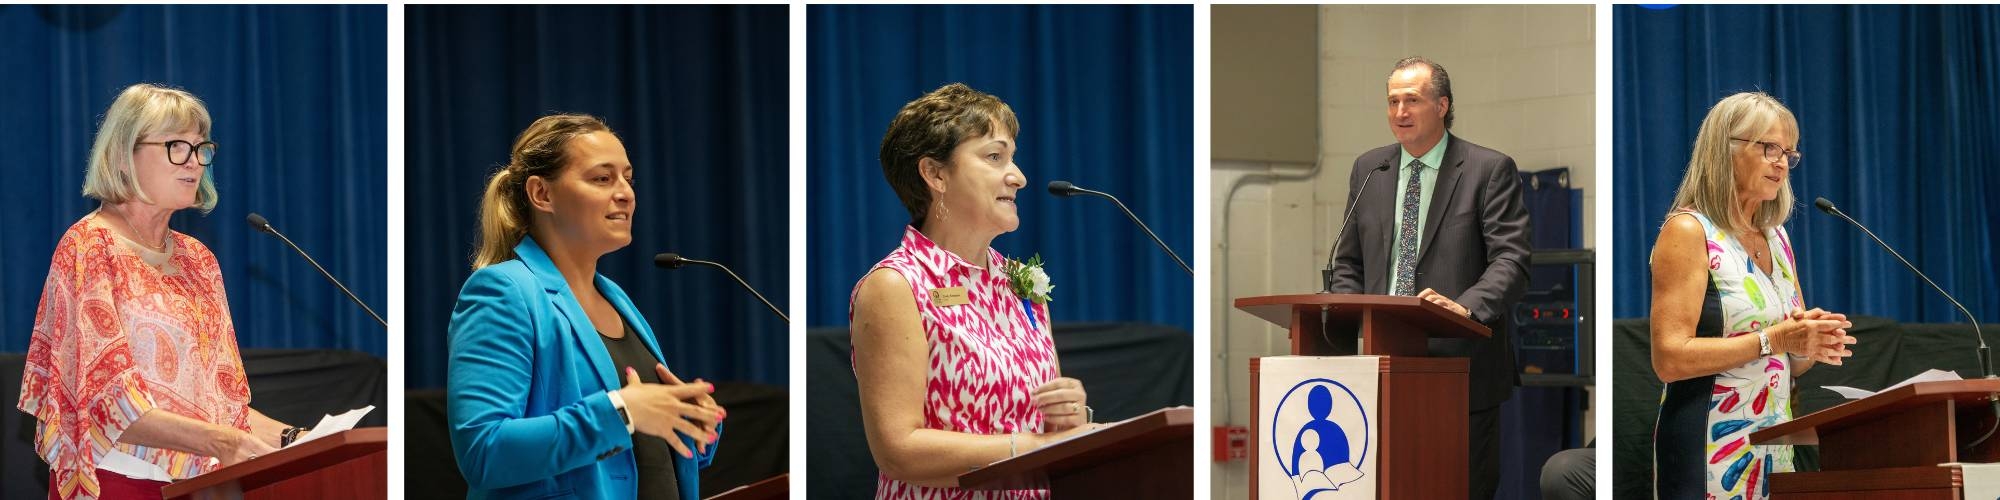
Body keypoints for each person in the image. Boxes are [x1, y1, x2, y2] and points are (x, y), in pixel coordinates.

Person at [16, 83, 300, 500]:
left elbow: (225, 406)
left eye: (201, 148)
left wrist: (296, 438)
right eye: (176, 146)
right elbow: (103, 402)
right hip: (115, 483)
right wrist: (222, 442)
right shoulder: (89, 247)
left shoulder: (198, 259)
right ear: (123, 155)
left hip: (198, 486)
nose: (195, 162)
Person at [447, 114, 725, 500]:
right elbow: (483, 451)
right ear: (542, 194)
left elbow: (636, 455)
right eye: (602, 178)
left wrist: (688, 418)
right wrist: (621, 411)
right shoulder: (503, 291)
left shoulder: (615, 297)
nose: (626, 192)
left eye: (629, 177)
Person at [849, 83, 1098, 498]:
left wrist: (1067, 418)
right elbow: (899, 450)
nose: (1019, 177)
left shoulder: (1022, 282)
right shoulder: (896, 285)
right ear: (935, 174)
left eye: (1012, 158)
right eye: (994, 156)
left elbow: (1040, 432)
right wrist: (1033, 447)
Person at [1325, 56, 1531, 499]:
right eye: (1393, 101)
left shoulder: (1487, 169)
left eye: (1412, 100)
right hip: (1380, 365)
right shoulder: (1370, 170)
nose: (1400, 112)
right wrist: (1345, 317)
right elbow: (1349, 262)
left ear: (1441, 105)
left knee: (1457, 488)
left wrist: (1466, 307)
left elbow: (1511, 260)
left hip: (1462, 366)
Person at [1648, 92, 1854, 499]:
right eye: (1769, 148)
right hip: (1708, 446)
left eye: (1789, 153)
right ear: (1725, 149)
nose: (1781, 162)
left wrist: (1807, 342)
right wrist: (1773, 339)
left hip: (1772, 445)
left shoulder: (1776, 238)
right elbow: (1669, 359)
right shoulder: (1689, 232)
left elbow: (1788, 367)